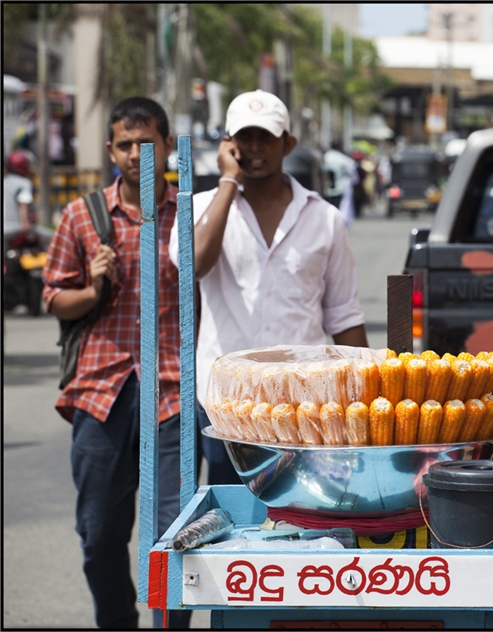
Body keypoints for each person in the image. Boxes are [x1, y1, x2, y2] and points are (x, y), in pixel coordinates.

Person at [42, 97, 191, 630]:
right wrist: (93, 287)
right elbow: (55, 298)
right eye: (125, 144)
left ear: (167, 146)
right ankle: (117, 622)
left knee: (174, 535)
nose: (135, 154)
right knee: (99, 532)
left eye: (145, 143)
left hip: (173, 391)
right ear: (110, 150)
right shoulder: (83, 215)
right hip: (102, 391)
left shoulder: (189, 215)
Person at [169, 89, 368, 486]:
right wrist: (228, 181)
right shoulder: (201, 208)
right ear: (228, 144)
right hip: (226, 404)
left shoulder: (324, 219)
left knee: (303, 513)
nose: (255, 147)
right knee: (232, 512)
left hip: (305, 404)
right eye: (245, 137)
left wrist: (364, 397)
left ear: (287, 144)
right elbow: (194, 266)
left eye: (266, 137)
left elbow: (343, 314)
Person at [3, 150, 35, 251]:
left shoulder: (4, 182)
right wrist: (26, 225)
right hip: (15, 228)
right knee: (49, 237)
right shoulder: (24, 183)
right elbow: (22, 205)